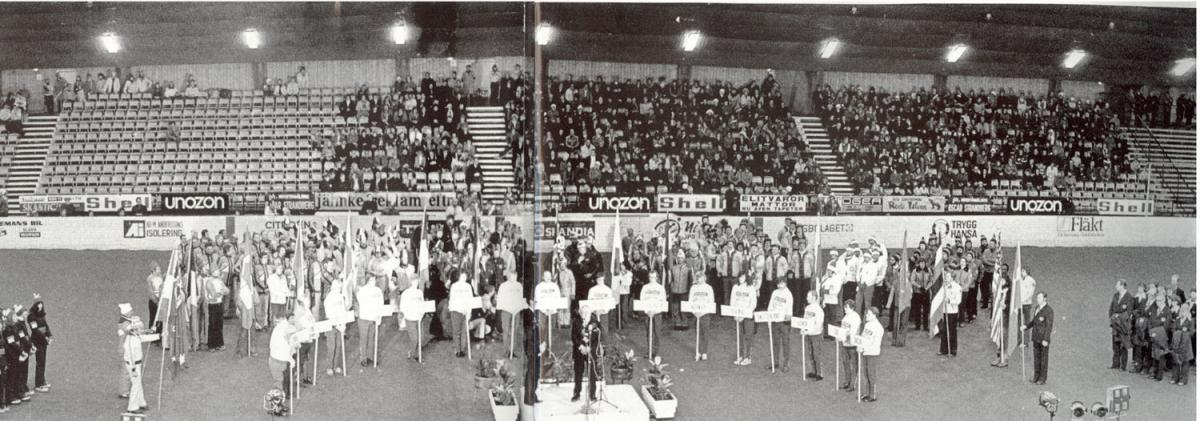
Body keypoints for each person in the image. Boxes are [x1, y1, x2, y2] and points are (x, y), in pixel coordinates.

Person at [117, 303, 149, 413]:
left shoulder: (133, 336)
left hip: (135, 362)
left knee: (138, 383)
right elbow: (130, 355)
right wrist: (134, 369)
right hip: (133, 364)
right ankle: (132, 406)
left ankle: (141, 402)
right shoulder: (130, 340)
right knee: (135, 384)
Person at [1022, 292, 1054, 385]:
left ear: (1044, 299)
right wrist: (1026, 326)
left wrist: (1046, 339)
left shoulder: (1049, 310)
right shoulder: (1037, 308)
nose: (1037, 299)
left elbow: (1049, 326)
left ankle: (1042, 378)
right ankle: (1036, 376)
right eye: (1037, 298)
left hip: (1043, 339)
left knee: (1043, 359)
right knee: (1036, 358)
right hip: (1036, 337)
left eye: (1039, 298)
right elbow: (1034, 321)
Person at [570, 310, 601, 402]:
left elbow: (598, 338)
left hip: (590, 352)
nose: (584, 313)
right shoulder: (576, 321)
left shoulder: (595, 322)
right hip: (579, 351)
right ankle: (577, 393)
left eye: (586, 311)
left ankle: (592, 394)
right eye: (582, 311)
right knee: (578, 372)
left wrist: (589, 348)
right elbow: (574, 336)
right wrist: (580, 346)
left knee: (591, 373)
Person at [268, 312, 297, 400]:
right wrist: (291, 359)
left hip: (278, 360)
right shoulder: (281, 333)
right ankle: (275, 406)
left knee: (280, 382)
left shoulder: (279, 329)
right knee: (278, 384)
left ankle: (278, 403)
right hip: (277, 361)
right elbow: (284, 350)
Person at [357, 275, 384, 365]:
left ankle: (370, 356)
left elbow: (381, 303)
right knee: (364, 338)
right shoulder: (362, 291)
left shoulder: (378, 290)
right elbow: (362, 303)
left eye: (374, 279)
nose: (373, 281)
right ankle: (363, 358)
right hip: (364, 318)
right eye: (371, 279)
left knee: (371, 338)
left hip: (374, 318)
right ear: (367, 280)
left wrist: (379, 316)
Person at [860, 306, 884, 402]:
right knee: (865, 373)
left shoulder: (878, 327)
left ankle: (872, 395)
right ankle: (866, 392)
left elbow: (875, 342)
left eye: (869, 314)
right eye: (866, 313)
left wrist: (865, 347)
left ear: (875, 315)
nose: (866, 315)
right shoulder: (867, 325)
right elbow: (863, 337)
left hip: (872, 353)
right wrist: (860, 345)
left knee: (871, 374)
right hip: (865, 351)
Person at [26, 297, 51, 393]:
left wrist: (49, 335)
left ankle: (42, 381)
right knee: (40, 362)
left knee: (43, 361)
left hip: (44, 341)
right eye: (38, 303)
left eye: (41, 303)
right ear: (35, 305)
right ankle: (38, 384)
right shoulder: (31, 317)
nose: (40, 305)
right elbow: (35, 330)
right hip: (37, 341)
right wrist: (45, 337)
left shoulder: (42, 315)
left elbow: (46, 326)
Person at [1109, 280, 1134, 371]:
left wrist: (1119, 316)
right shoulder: (1115, 296)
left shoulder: (1129, 297)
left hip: (1123, 325)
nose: (1116, 286)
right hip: (1115, 324)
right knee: (1115, 344)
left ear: (1122, 286)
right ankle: (1115, 364)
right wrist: (1112, 317)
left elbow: (1129, 312)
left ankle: (1123, 366)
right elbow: (1111, 308)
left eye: (1117, 284)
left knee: (1123, 344)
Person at [731, 274, 756, 366]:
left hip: (748, 316)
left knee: (748, 336)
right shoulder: (735, 287)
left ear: (746, 278)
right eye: (739, 277)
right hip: (738, 315)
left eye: (742, 277)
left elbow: (753, 303)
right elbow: (732, 301)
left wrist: (744, 315)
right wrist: (734, 314)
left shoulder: (751, 288)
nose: (740, 279)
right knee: (739, 336)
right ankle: (740, 355)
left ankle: (747, 357)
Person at [769, 280, 792, 372]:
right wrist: (769, 316)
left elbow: (789, 308)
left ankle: (786, 364)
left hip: (784, 322)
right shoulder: (775, 292)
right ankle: (775, 362)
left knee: (785, 343)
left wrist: (788, 318)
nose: (780, 285)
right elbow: (771, 305)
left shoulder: (788, 294)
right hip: (775, 320)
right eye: (778, 283)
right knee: (775, 342)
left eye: (782, 283)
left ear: (785, 283)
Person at [838, 299, 860, 392]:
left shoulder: (855, 317)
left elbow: (853, 332)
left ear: (852, 308)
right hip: (844, 344)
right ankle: (847, 381)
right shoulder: (845, 317)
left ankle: (852, 385)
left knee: (854, 365)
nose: (844, 309)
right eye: (844, 307)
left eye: (846, 307)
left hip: (852, 345)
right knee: (845, 363)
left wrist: (843, 336)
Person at [802, 290, 824, 381]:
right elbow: (805, 320)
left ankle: (819, 373)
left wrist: (809, 331)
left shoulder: (819, 310)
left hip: (816, 334)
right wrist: (803, 328)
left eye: (808, 297)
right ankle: (813, 370)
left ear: (814, 298)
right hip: (809, 334)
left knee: (816, 353)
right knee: (810, 353)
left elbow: (818, 325)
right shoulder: (807, 308)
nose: (807, 298)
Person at [205, 269, 229, 352]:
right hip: (212, 304)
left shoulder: (219, 280)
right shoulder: (209, 281)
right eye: (216, 270)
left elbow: (227, 290)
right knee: (213, 324)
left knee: (219, 324)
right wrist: (221, 292)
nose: (218, 272)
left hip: (219, 303)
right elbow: (213, 293)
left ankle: (219, 343)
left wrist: (222, 292)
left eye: (218, 270)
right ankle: (211, 345)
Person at [1170, 302, 1193, 385]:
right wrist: (1178, 333)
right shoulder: (1177, 319)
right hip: (1177, 343)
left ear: (1187, 311)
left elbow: (1191, 332)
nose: (1183, 311)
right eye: (1182, 310)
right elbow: (1173, 329)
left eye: (1185, 310)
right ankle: (1175, 377)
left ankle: (1183, 379)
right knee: (1176, 360)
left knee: (1185, 362)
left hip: (1186, 344)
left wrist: (1184, 333)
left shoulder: (1190, 320)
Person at [147, 262, 164, 340]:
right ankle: (152, 336)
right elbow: (151, 292)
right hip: (154, 302)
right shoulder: (150, 279)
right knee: (153, 318)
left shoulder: (160, 277)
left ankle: (159, 334)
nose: (160, 270)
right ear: (154, 270)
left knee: (160, 319)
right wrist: (156, 301)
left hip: (161, 300)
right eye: (158, 269)